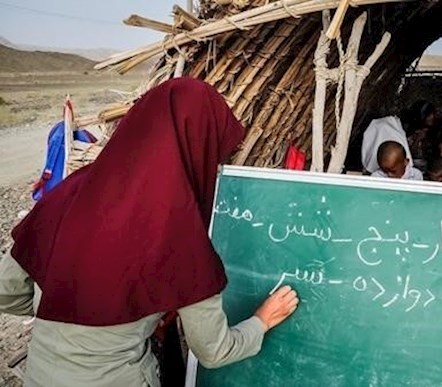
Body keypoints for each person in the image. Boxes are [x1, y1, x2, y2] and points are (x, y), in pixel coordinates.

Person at [0, 78, 299, 387]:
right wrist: (262, 320)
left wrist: (59, 310)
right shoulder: (177, 231)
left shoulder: (68, 194)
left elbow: (5, 293)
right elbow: (215, 351)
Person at [405, 100, 439, 171]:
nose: (432, 117)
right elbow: (408, 154)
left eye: (433, 114)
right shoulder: (411, 133)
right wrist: (418, 140)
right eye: (429, 115)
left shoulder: (434, 133)